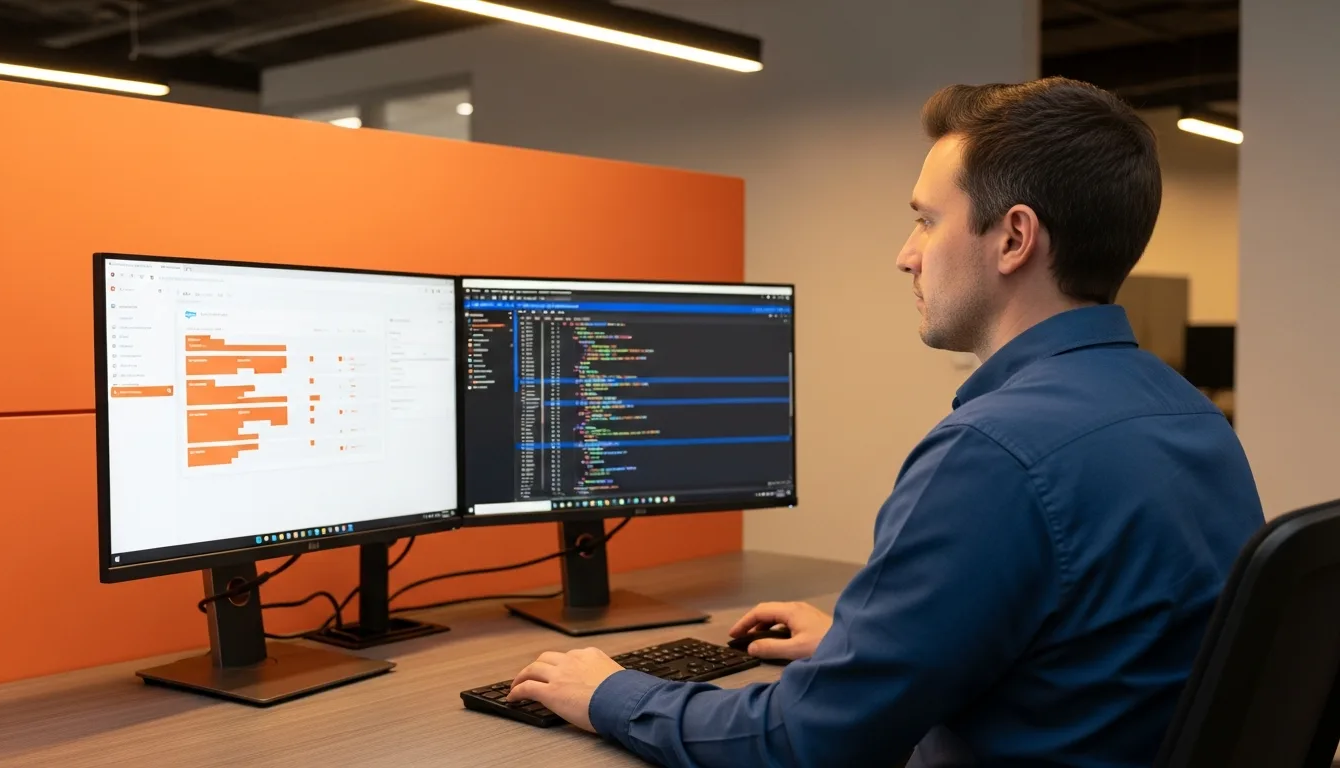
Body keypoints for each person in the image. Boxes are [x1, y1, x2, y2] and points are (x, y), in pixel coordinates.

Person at [505, 77, 1264, 767]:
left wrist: (608, 691)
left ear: (1013, 238)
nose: (907, 256)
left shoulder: (993, 455)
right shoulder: (1189, 416)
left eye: (927, 221)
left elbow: (800, 745)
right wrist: (858, 650)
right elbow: (1092, 657)